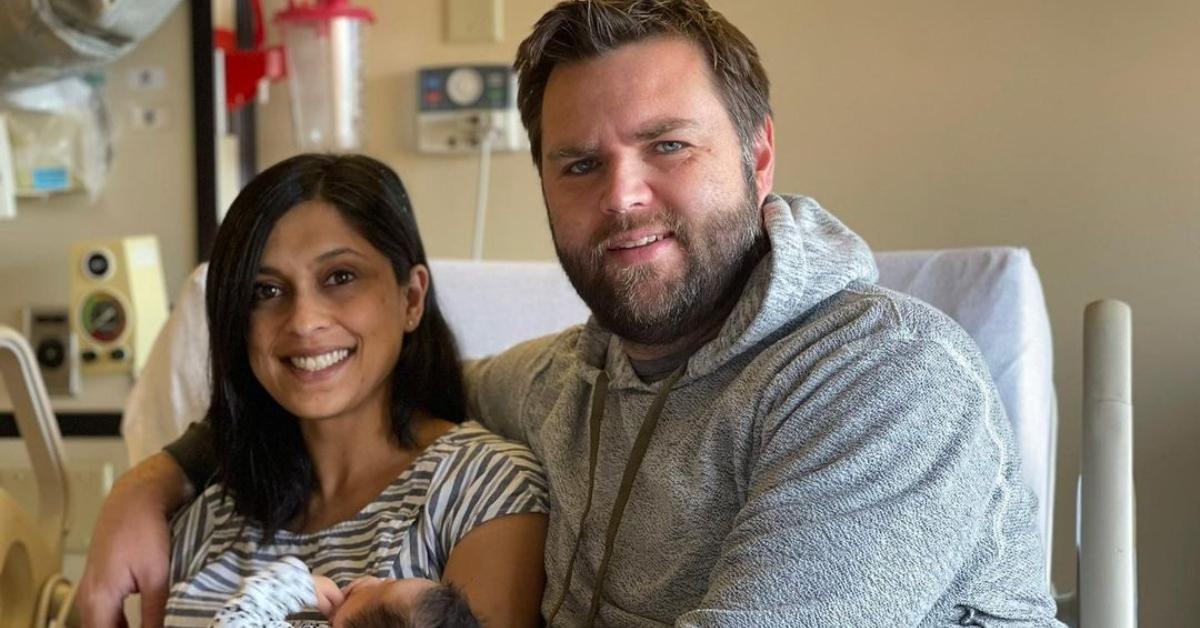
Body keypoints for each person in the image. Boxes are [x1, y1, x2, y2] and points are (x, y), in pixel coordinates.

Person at [77, 1, 1062, 626]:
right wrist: (154, 482)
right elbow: (349, 380)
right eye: (580, 164)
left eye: (667, 146)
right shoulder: (553, 386)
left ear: (760, 156)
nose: (622, 196)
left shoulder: (884, 382)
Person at [152, 153, 548, 627]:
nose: (303, 321)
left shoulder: (484, 489)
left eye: (340, 277)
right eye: (266, 291)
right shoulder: (208, 517)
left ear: (412, 298)